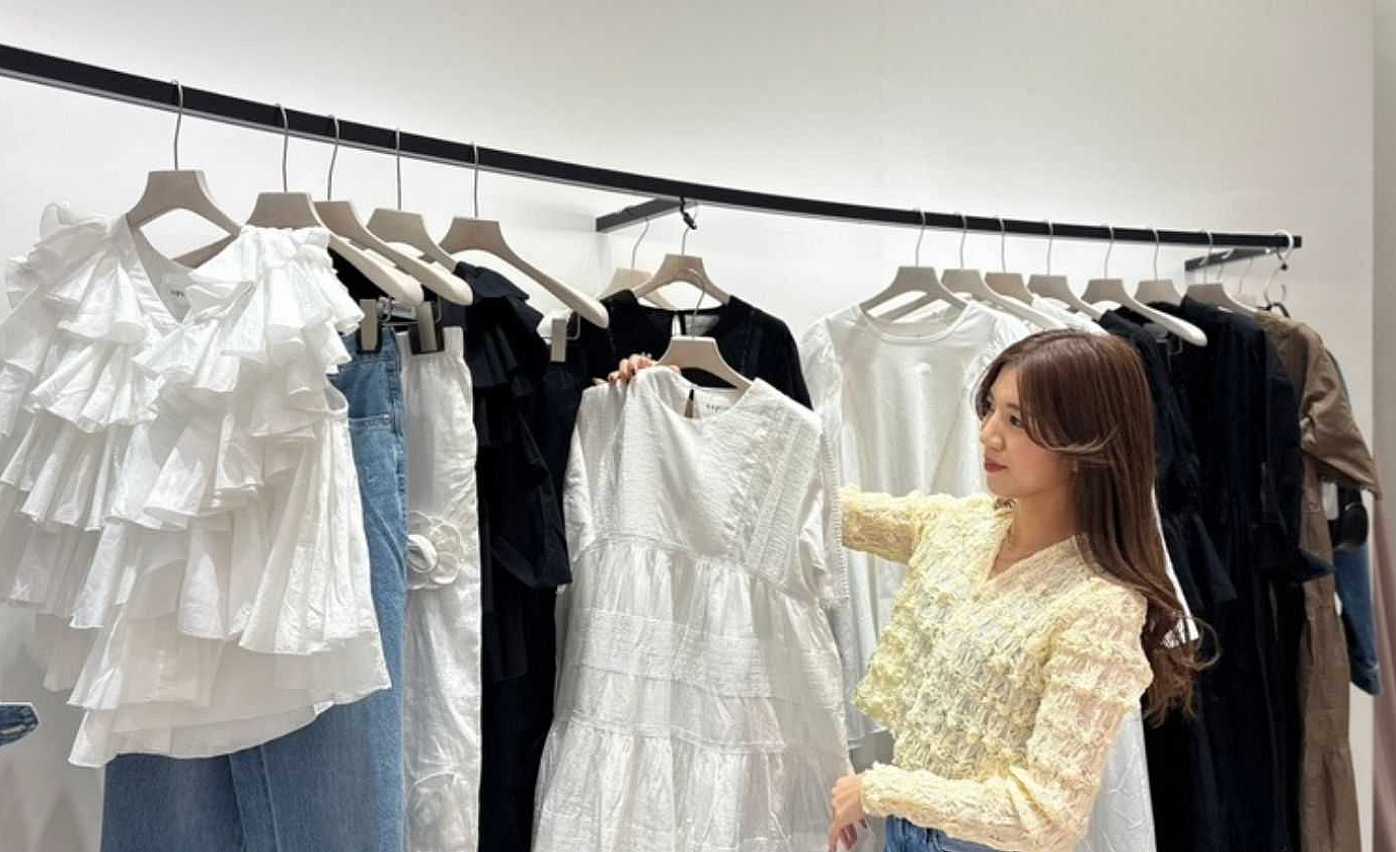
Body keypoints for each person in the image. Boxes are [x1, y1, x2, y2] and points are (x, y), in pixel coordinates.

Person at [605, 330, 1206, 852]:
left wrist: (879, 789)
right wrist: (678, 410)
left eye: (1017, 421)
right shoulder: (961, 528)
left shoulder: (1098, 605)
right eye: (989, 409)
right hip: (907, 833)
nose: (988, 435)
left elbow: (1046, 817)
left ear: (1087, 442)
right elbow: (811, 506)